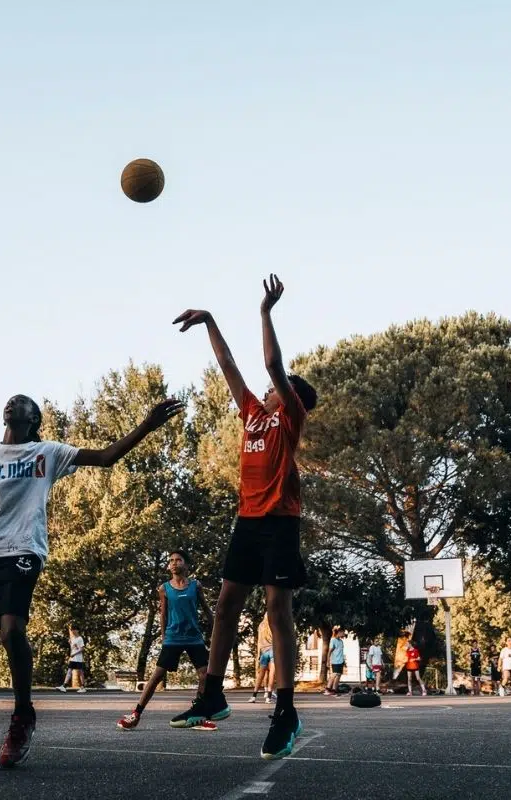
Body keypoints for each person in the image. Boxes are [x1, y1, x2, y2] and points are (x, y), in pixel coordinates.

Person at [0, 393, 183, 769]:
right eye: (9, 402)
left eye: (22, 403)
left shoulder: (47, 452)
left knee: (11, 630)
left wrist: (146, 425)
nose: (13, 404)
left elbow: (106, 457)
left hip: (20, 549)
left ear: (34, 418)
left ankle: (22, 719)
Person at [169, 274, 319, 761]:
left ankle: (285, 709)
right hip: (248, 520)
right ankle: (212, 693)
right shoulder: (253, 413)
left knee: (278, 610)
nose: (271, 387)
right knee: (227, 603)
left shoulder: (289, 415)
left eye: (279, 387)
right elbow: (228, 365)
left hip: (280, 520)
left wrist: (265, 312)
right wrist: (210, 319)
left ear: (289, 395)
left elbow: (272, 363)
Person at [118, 550, 215, 730]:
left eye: (178, 560)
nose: (174, 563)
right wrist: (164, 638)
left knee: (204, 675)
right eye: (171, 560)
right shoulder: (164, 588)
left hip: (194, 638)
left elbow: (207, 609)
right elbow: (163, 615)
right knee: (156, 676)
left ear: (186, 565)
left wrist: (216, 629)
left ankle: (198, 716)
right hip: (173, 638)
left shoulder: (195, 586)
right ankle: (136, 714)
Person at [251, 615, 274, 704]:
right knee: (272, 674)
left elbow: (259, 642)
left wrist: (258, 654)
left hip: (263, 651)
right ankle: (268, 697)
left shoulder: (261, 626)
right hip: (273, 650)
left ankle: (253, 696)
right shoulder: (273, 624)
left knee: (261, 675)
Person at [60, 625, 87, 693]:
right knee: (69, 671)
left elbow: (82, 649)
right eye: (72, 630)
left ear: (77, 630)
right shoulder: (72, 638)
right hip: (73, 659)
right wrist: (70, 643)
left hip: (78, 659)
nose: (73, 631)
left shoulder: (80, 638)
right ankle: (64, 686)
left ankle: (83, 687)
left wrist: (74, 654)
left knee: (80, 672)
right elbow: (73, 648)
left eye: (74, 630)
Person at [324, 626, 346, 696]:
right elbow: (329, 651)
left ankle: (334, 690)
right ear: (339, 632)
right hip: (335, 661)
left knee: (338, 675)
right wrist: (328, 661)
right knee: (334, 674)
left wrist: (344, 661)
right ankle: (327, 689)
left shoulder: (341, 641)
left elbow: (341, 652)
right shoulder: (333, 640)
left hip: (341, 661)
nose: (344, 634)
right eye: (343, 632)